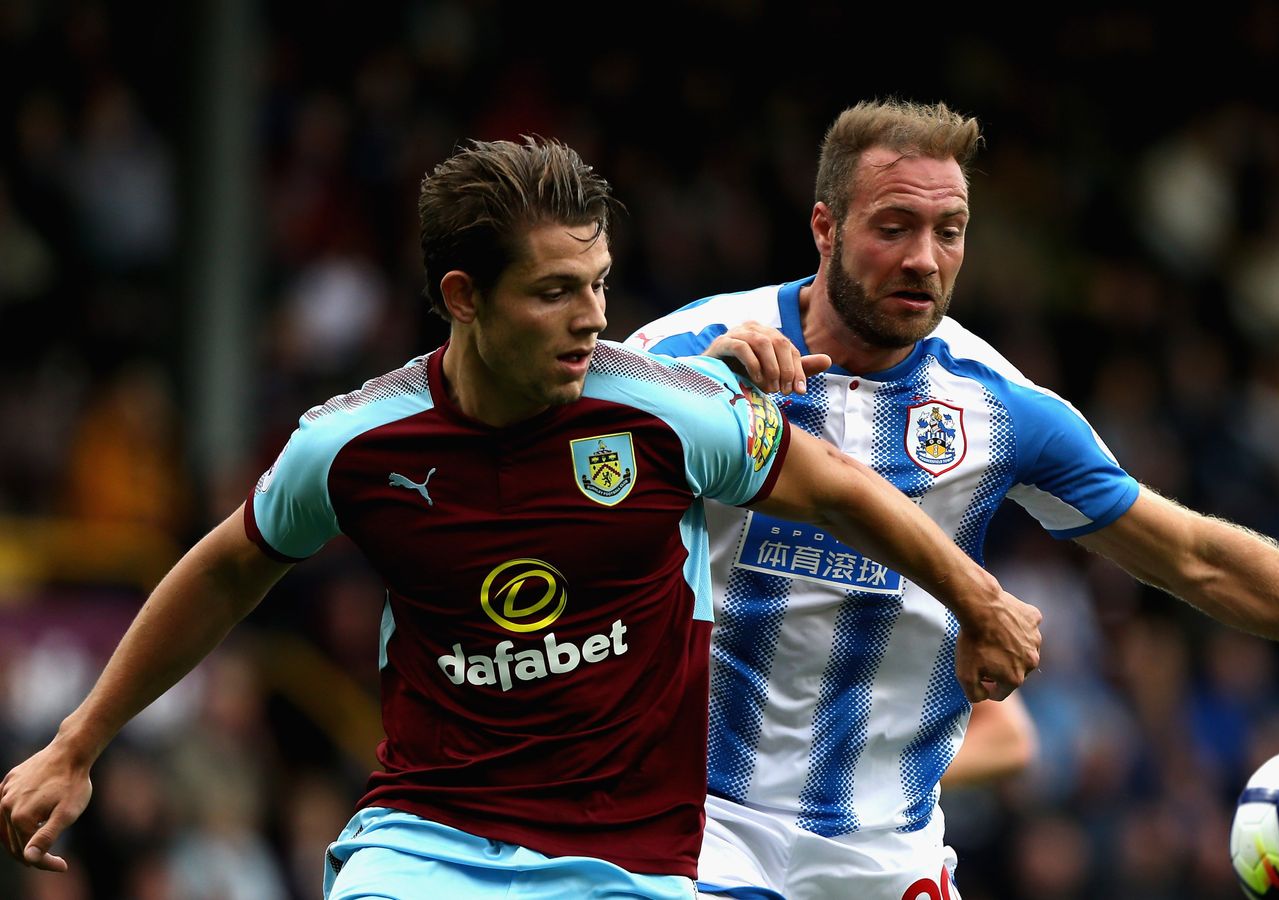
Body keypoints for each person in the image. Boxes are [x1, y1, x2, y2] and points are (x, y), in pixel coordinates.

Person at [0, 135, 1044, 900]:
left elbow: (838, 488)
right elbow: (230, 567)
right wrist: (77, 745)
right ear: (463, 296)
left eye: (596, 283)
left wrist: (978, 599)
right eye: (553, 293)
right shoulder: (355, 444)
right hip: (426, 842)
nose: (593, 318)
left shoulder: (667, 409)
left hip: (630, 864)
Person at [629, 99, 1279, 900]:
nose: (924, 258)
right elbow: (538, 470)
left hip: (889, 852)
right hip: (697, 824)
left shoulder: (1002, 410)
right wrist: (673, 408)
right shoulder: (695, 351)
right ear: (825, 227)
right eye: (893, 227)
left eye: (949, 231)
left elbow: (1197, 557)